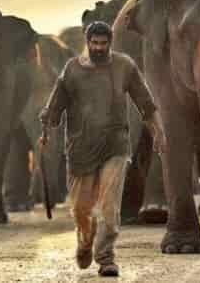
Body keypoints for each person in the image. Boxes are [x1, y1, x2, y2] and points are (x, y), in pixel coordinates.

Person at [39, 21, 166, 277]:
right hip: (80, 148)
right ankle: (85, 240)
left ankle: (106, 257)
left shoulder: (124, 66)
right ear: (88, 43)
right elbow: (55, 106)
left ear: (110, 43)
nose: (99, 48)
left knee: (109, 207)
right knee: (81, 210)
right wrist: (47, 130)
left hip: (115, 145)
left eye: (103, 43)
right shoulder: (73, 69)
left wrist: (158, 132)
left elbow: (146, 103)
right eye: (94, 43)